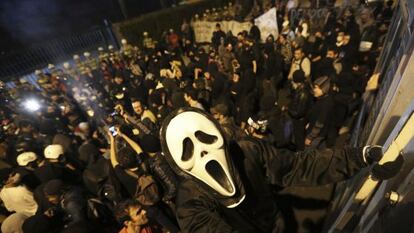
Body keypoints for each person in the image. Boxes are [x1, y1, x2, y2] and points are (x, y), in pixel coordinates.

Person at [159, 108, 403, 233]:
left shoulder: (248, 152)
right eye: (187, 149)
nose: (202, 152)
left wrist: (361, 156)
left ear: (219, 134)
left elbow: (299, 165)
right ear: (179, 166)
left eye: (204, 137)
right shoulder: (190, 203)